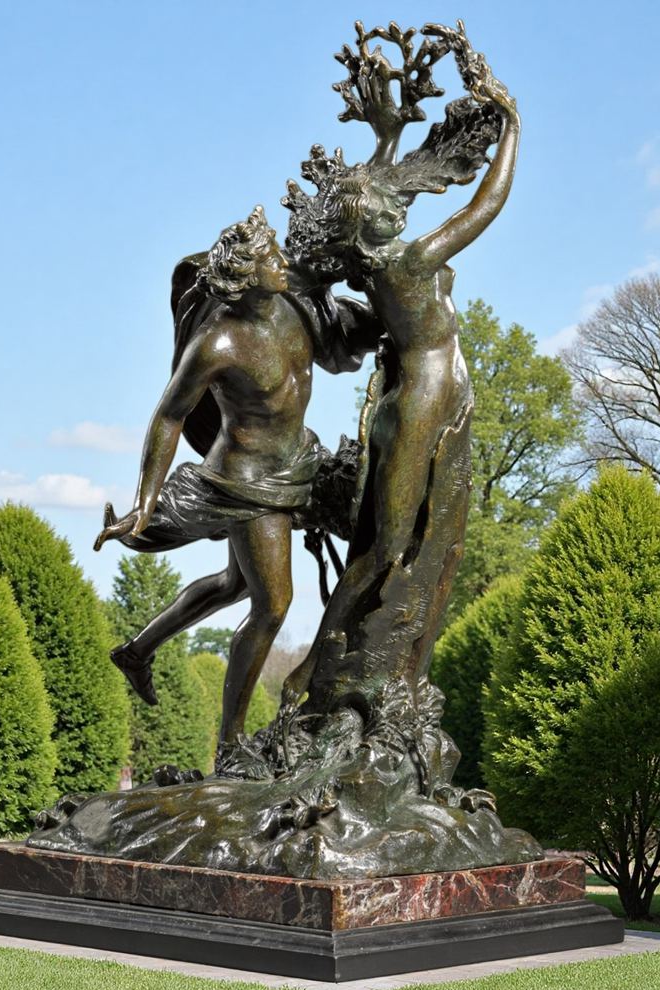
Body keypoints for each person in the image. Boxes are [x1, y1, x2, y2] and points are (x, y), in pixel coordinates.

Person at [281, 48, 521, 708]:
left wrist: (387, 138)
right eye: (388, 204)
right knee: (386, 550)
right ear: (378, 223)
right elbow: (487, 205)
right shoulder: (411, 263)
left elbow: (382, 186)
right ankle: (313, 671)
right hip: (420, 406)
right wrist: (512, 127)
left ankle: (344, 667)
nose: (399, 205)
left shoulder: (376, 268)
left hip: (407, 401)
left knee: (388, 541)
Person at [94, 206, 376, 747]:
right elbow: (169, 415)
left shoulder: (294, 301)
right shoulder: (218, 342)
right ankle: (230, 744)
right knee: (272, 606)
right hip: (248, 483)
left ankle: (136, 650)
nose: (281, 262)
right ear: (245, 277)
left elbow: (346, 313)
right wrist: (146, 501)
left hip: (298, 462)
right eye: (270, 258)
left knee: (235, 584)